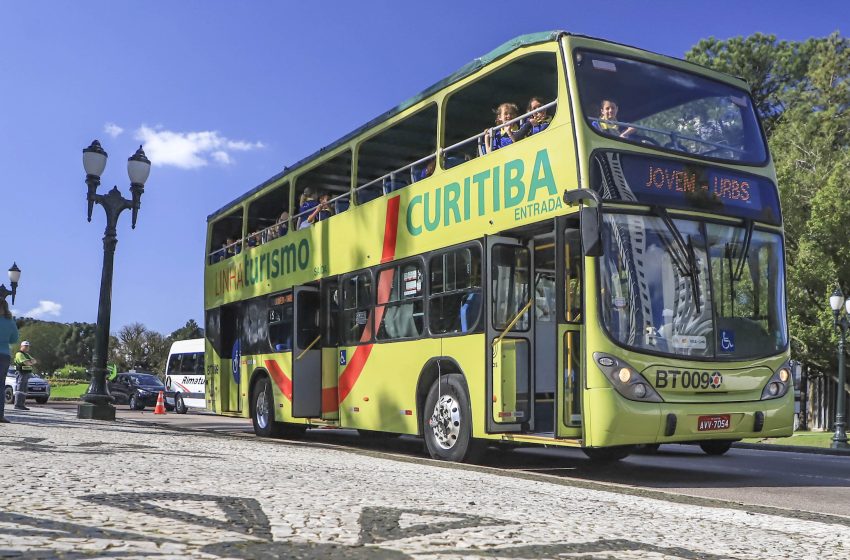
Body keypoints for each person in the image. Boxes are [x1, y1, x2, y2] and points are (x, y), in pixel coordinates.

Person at [0, 299, 19, 423]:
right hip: (4, 354)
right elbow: (14, 339)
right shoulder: (10, 321)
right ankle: (0, 415)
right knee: (1, 385)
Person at [14, 340, 36, 411]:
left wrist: (30, 362)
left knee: (23, 390)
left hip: (26, 373)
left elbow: (34, 361)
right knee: (20, 389)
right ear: (21, 346)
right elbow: (26, 363)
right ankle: (17, 405)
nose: (27, 348)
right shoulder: (19, 354)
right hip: (21, 373)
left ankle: (22, 404)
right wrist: (30, 362)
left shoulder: (26, 354)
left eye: (28, 346)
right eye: (25, 346)